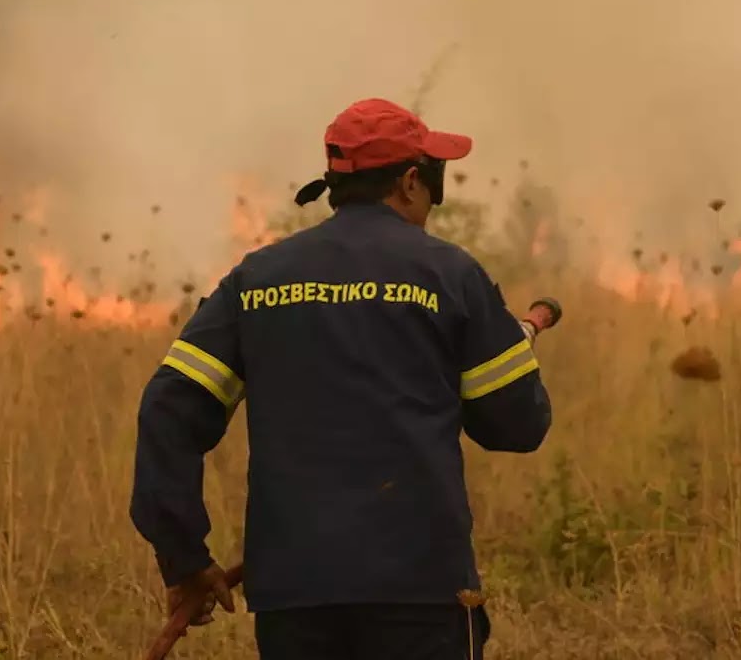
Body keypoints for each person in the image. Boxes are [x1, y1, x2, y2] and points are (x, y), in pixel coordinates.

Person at [130, 98, 554, 660]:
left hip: (294, 597)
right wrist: (498, 359)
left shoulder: (256, 280)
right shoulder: (450, 275)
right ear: (409, 182)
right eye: (435, 182)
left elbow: (169, 410)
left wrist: (184, 558)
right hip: (421, 590)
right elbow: (517, 426)